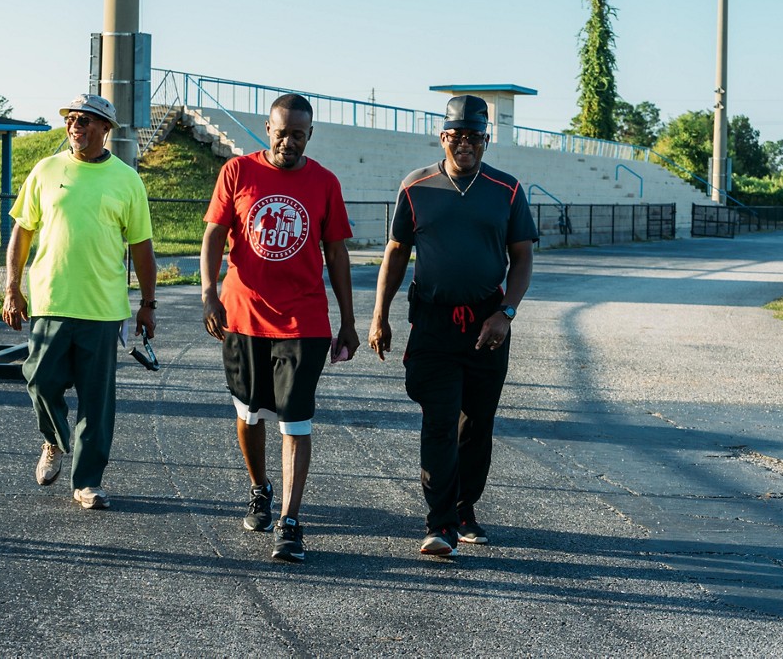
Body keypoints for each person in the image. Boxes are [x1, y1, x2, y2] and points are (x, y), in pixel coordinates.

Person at [368, 94, 537, 556]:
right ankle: (439, 522)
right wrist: (379, 313)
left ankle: (465, 509)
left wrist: (506, 313)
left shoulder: (507, 190)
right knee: (440, 421)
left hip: (488, 323)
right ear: (443, 137)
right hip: (435, 323)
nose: (465, 144)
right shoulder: (415, 187)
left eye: (475, 137)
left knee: (476, 424)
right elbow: (397, 252)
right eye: (457, 136)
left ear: (486, 139)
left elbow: (522, 257)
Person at [201, 93, 359, 563]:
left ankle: (290, 522)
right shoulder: (237, 172)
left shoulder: (325, 183)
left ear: (310, 135)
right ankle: (259, 488)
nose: (288, 141)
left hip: (303, 320)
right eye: (281, 131)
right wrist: (209, 292)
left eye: (297, 134)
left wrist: (348, 321)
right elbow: (213, 233)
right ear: (266, 129)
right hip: (243, 315)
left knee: (295, 419)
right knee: (249, 414)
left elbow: (337, 254)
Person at [2, 93, 157, 511]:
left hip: (103, 308)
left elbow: (142, 246)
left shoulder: (126, 180)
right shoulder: (46, 169)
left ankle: (87, 481)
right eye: (72, 119)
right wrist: (11, 286)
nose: (76, 125)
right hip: (50, 300)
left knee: (96, 400)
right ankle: (53, 439)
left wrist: (148, 303)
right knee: (39, 377)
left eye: (87, 120)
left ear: (106, 129)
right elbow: (22, 231)